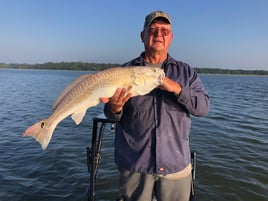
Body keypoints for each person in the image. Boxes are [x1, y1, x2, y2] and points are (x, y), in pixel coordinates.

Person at [101, 10, 210, 201]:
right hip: (135, 166)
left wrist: (175, 87)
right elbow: (111, 114)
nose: (158, 34)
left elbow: (203, 107)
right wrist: (115, 108)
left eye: (164, 30)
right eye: (152, 30)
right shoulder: (124, 72)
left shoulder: (186, 72)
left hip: (176, 166)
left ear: (171, 37)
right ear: (142, 36)